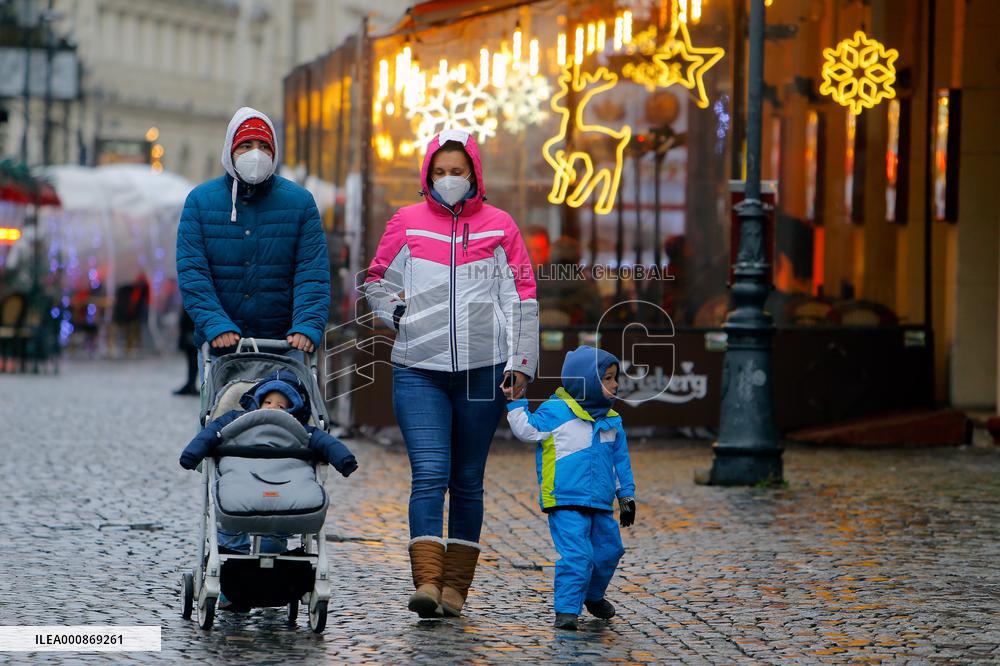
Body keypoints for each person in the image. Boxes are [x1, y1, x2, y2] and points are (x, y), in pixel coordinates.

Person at [362, 128, 539, 618]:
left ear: (474, 173)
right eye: (439, 172)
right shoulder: (407, 221)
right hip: (419, 370)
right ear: (427, 175)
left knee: (466, 479)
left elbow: (521, 295)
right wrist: (398, 316)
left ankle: (456, 588)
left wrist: (521, 362)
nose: (448, 180)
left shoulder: (500, 225)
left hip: (483, 374)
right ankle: (428, 582)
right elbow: (377, 282)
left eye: (457, 171)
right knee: (430, 473)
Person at [176, 107, 330, 358]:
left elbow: (312, 272)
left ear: (274, 151)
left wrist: (306, 325)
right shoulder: (200, 202)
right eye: (246, 145)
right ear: (230, 150)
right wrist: (216, 325)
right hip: (222, 346)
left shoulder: (300, 202)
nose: (255, 154)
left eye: (263, 146)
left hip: (285, 344)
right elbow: (193, 273)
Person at [506, 345, 637, 630]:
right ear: (586, 381)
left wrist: (626, 495)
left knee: (610, 551)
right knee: (578, 556)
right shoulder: (556, 411)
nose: (616, 385)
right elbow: (527, 430)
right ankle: (566, 609)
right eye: (608, 378)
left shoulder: (612, 421)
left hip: (601, 503)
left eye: (616, 378)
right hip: (565, 500)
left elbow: (619, 462)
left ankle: (593, 595)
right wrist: (516, 403)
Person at [178, 371, 358, 551]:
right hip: (241, 479)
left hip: (283, 482)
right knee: (229, 517)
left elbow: (327, 442)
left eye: (281, 406)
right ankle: (231, 554)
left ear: (293, 409)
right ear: (258, 402)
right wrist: (191, 455)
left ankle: (271, 556)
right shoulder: (235, 419)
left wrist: (345, 460)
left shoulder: (301, 429)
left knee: (275, 529)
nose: (272, 408)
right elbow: (210, 434)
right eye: (268, 402)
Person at [173, 308, 198, 395]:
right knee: (191, 356)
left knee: (193, 356)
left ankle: (191, 384)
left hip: (191, 326)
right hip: (188, 325)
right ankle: (191, 383)